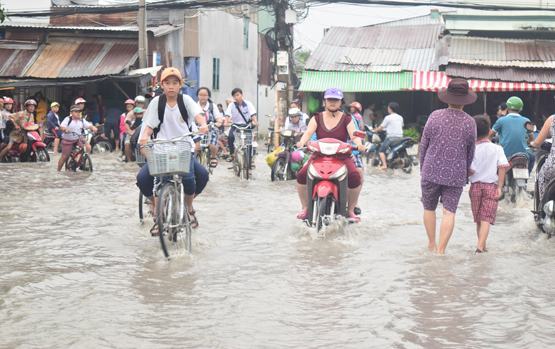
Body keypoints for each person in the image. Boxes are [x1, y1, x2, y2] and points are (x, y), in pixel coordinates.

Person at [137, 67, 209, 232]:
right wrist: (144, 138)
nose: (171, 86)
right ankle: (158, 212)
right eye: (167, 83)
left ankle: (189, 209)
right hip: (161, 150)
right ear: (162, 85)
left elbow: (198, 116)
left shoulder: (186, 101)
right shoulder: (157, 103)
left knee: (197, 177)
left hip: (184, 149)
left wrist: (202, 124)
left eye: (174, 83)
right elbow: (148, 126)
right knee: (145, 179)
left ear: (180, 85)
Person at [420, 78, 477, 255]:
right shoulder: (470, 122)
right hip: (456, 173)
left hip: (430, 170)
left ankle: (431, 244)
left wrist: (423, 168)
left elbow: (424, 144)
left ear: (447, 97)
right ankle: (441, 251)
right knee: (449, 212)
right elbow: (471, 151)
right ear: (465, 100)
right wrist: (466, 171)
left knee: (429, 208)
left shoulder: (434, 116)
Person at [295, 88, 365, 222]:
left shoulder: (347, 119)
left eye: (336, 100)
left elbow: (354, 135)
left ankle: (350, 209)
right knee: (301, 175)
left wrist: (359, 144)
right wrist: (301, 142)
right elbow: (308, 133)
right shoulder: (316, 118)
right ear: (324, 102)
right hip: (318, 156)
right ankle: (305, 208)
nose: (332, 103)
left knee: (355, 177)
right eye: (330, 100)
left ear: (341, 102)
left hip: (341, 157)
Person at [469, 115, 509, 254]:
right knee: (486, 218)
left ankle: (481, 244)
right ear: (489, 131)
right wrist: (500, 186)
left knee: (479, 219)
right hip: (491, 186)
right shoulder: (497, 149)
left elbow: (470, 170)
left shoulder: (472, 149)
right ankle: (481, 246)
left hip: (474, 187)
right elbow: (503, 166)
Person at [492, 96, 534, 172]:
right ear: (521, 109)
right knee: (532, 157)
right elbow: (532, 138)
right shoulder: (527, 120)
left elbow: (490, 134)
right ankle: (527, 175)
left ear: (507, 108)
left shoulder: (501, 120)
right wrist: (528, 143)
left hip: (505, 154)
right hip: (523, 154)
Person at [57, 105, 98, 171]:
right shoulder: (68, 119)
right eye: (76, 111)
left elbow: (89, 125)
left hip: (78, 138)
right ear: (71, 113)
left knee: (88, 147)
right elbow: (62, 127)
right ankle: (58, 171)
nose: (78, 113)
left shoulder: (82, 120)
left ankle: (83, 161)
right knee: (64, 156)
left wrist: (93, 128)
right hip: (68, 140)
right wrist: (65, 129)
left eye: (79, 111)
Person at [224, 88, 257, 157]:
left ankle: (249, 159)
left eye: (238, 95)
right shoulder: (231, 105)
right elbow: (227, 115)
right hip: (235, 125)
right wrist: (226, 122)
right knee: (230, 137)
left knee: (249, 142)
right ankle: (232, 154)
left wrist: (254, 121)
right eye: (234, 96)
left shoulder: (248, 104)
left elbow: (253, 114)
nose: (236, 97)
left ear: (242, 95)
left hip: (246, 125)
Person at [531, 111, 555, 204]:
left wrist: (532, 144)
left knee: (541, 176)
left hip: (552, 167)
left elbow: (537, 143)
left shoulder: (552, 119)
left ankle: (542, 208)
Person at [197, 87, 224, 168]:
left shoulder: (212, 106)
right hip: (198, 129)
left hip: (210, 128)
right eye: (201, 95)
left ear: (208, 96)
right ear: (198, 96)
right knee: (194, 146)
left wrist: (218, 122)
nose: (203, 97)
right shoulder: (194, 106)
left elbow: (218, 118)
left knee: (212, 144)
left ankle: (213, 157)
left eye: (205, 95)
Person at [373, 102, 404, 170]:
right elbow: (401, 126)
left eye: (388, 107)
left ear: (390, 109)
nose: (387, 109)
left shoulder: (388, 117)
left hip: (391, 138)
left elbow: (381, 127)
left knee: (381, 151)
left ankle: (384, 165)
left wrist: (374, 130)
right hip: (400, 137)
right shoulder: (400, 117)